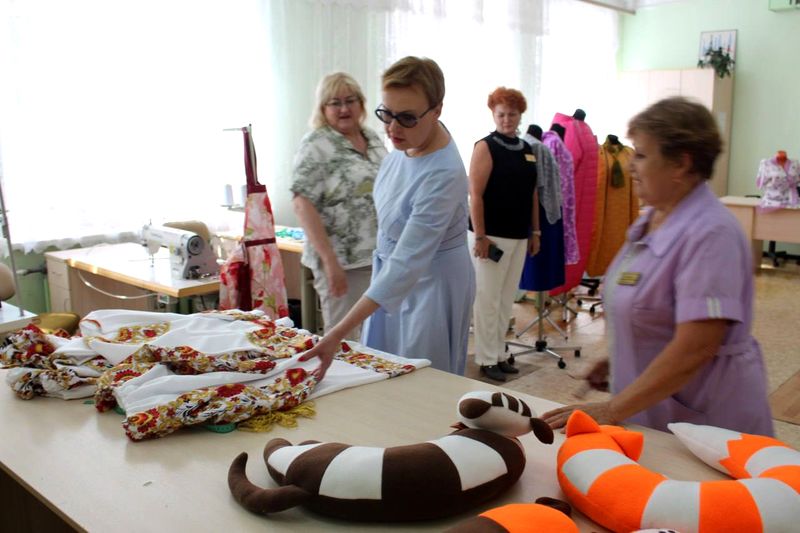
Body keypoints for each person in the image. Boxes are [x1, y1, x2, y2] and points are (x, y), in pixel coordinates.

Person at [542, 97, 774, 436]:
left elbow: (696, 347)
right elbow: (651, 310)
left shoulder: (711, 234)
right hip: (652, 410)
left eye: (641, 155)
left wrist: (611, 409)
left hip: (708, 423)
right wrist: (622, 356)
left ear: (680, 164)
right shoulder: (651, 219)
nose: (631, 166)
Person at [301, 56, 475, 379]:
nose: (393, 128)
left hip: (430, 287)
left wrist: (337, 333)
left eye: (406, 117)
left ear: (437, 110)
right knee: (381, 368)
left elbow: (406, 263)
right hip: (393, 274)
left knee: (419, 378)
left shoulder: (443, 174)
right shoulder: (406, 142)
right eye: (387, 114)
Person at [291, 73, 387, 340]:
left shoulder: (372, 138)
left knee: (377, 338)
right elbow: (302, 204)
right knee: (344, 341)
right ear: (323, 108)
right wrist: (330, 262)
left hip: (377, 257)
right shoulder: (316, 144)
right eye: (335, 103)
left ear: (361, 103)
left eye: (350, 100)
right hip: (341, 262)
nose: (344, 109)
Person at [468, 87, 540, 382]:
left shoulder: (526, 150)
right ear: (493, 114)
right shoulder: (485, 147)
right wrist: (481, 236)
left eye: (512, 114)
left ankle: (499, 353)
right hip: (491, 237)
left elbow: (533, 193)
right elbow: (475, 194)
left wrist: (536, 231)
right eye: (501, 114)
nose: (507, 119)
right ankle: (486, 359)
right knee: (487, 300)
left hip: (519, 235)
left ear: (520, 115)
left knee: (506, 299)